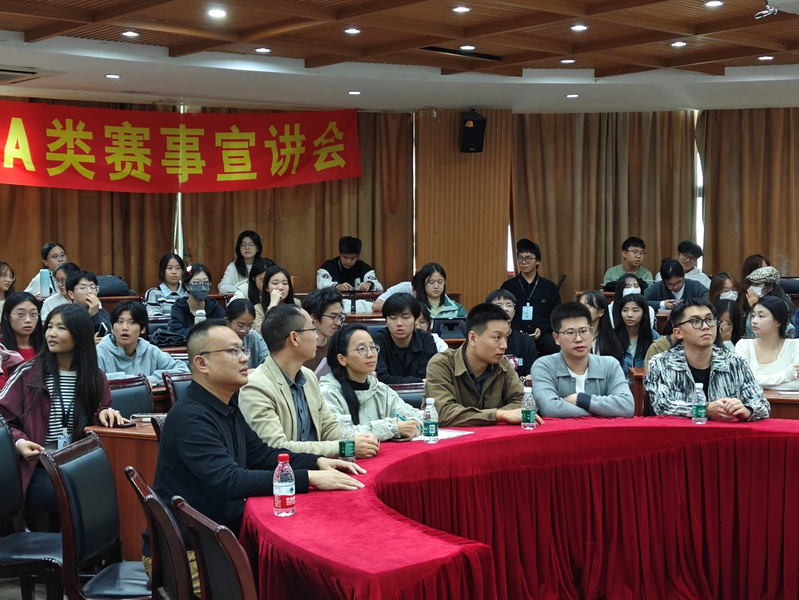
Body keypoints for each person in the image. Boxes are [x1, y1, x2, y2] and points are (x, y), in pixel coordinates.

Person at [147, 318, 365, 592]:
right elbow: (230, 481)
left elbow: (262, 454)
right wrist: (308, 478)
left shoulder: (226, 404)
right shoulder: (191, 418)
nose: (244, 358)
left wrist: (316, 461)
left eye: (243, 350)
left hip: (221, 537)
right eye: (233, 351)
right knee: (296, 580)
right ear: (202, 364)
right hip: (191, 553)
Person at [0, 304, 126, 516]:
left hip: (78, 463)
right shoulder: (28, 373)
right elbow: (2, 420)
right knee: (66, 496)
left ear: (79, 334)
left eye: (61, 328)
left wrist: (104, 412)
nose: (51, 333)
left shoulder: (95, 377)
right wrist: (19, 442)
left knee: (115, 491)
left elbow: (98, 413)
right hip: (37, 465)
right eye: (49, 326)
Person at [239, 304, 381, 459]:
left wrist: (358, 439)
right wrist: (343, 447)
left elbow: (328, 427)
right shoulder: (256, 386)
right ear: (294, 338)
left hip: (319, 466)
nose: (316, 336)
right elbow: (276, 447)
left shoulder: (309, 377)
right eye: (313, 330)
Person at [645, 299, 770, 421]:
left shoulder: (736, 363)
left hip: (725, 433)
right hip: (680, 433)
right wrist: (704, 410)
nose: (705, 326)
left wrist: (747, 410)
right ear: (678, 332)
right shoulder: (660, 364)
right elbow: (661, 406)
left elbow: (762, 404)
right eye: (696, 321)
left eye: (710, 320)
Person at [425, 302, 544, 427]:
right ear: (473, 338)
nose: (504, 345)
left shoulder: (502, 363)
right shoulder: (441, 364)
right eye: (497, 337)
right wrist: (498, 415)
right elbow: (443, 413)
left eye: (506, 337)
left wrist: (492, 416)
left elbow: (523, 402)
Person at [319, 324, 423, 441]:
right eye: (362, 349)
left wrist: (413, 423)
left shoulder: (379, 389)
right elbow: (337, 433)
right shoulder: (328, 393)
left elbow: (420, 416)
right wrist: (392, 428)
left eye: (373, 347)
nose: (371, 354)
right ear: (342, 359)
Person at [532, 302, 634, 418]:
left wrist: (581, 399)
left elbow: (626, 406)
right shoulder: (544, 366)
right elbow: (550, 409)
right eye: (570, 333)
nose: (579, 339)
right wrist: (602, 413)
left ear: (591, 332)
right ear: (556, 338)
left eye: (584, 331)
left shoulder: (610, 365)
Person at [96, 300, 190, 386]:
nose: (124, 328)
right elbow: (94, 379)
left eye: (132, 322)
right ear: (112, 328)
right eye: (120, 322)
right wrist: (138, 381)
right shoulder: (100, 352)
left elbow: (183, 370)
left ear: (143, 329)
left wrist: (152, 379)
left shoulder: (150, 351)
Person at [500, 238, 561, 356]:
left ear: (537, 261)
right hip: (514, 333)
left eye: (528, 258)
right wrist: (515, 330)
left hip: (543, 335)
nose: (523, 262)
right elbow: (501, 313)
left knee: (554, 344)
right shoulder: (508, 286)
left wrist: (541, 329)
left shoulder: (549, 287)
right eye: (520, 258)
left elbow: (556, 316)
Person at [735, 296, 799, 390]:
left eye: (761, 316)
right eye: (753, 315)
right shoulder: (743, 345)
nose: (754, 321)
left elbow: (796, 385)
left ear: (778, 321)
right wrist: (786, 375)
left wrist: (756, 382)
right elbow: (740, 380)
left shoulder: (795, 346)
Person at [372, 293, 438, 384]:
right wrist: (419, 381)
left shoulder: (426, 339)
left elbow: (430, 375)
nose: (399, 323)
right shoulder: (377, 341)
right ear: (386, 321)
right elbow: (381, 378)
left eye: (405, 317)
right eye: (393, 317)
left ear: (415, 319)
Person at [372, 262, 466, 318]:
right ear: (423, 284)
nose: (436, 286)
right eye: (431, 282)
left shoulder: (457, 309)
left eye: (440, 282)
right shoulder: (413, 308)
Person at [485, 289, 538, 378]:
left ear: (514, 311)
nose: (505, 309)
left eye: (509, 305)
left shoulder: (526, 341)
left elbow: (531, 375)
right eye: (499, 305)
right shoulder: (483, 340)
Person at [168, 263, 224, 338]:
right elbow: (175, 332)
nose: (202, 287)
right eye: (197, 283)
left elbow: (226, 328)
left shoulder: (214, 306)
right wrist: (202, 332)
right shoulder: (179, 307)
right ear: (187, 286)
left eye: (206, 283)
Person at [0, 292, 44, 388]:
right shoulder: (2, 350)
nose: (28, 320)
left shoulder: (45, 347)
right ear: (6, 316)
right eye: (21, 314)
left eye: (33, 314)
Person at [301, 287, 345, 377]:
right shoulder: (298, 349)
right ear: (314, 318)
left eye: (340, 317)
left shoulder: (338, 346)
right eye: (333, 317)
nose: (338, 323)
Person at [741, 266, 795, 338]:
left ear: (770, 287)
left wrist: (755, 306)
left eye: (757, 284)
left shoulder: (781, 305)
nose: (752, 287)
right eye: (752, 284)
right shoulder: (753, 300)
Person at [317, 236, 383, 292]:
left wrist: (369, 284)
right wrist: (336, 286)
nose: (348, 261)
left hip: (359, 302)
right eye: (345, 257)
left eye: (353, 258)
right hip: (334, 302)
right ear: (340, 254)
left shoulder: (364, 267)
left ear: (357, 257)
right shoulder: (328, 266)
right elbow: (321, 285)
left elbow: (380, 287)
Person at [613, 293, 659, 372]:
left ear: (644, 313)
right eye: (625, 310)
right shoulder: (612, 336)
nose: (629, 315)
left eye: (635, 310)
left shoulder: (653, 336)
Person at [644, 259, 708, 311]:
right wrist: (662, 304)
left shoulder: (694, 286)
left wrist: (688, 304)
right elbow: (642, 302)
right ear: (664, 281)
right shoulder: (658, 287)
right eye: (670, 285)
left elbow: (708, 298)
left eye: (679, 282)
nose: (676, 287)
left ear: (683, 276)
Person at [578, 291, 623, 363]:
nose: (581, 310)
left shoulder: (610, 340)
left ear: (601, 312)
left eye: (587, 307)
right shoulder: (574, 336)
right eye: (579, 306)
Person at [65, 270, 112, 339]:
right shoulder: (65, 315)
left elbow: (109, 335)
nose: (89, 292)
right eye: (83, 288)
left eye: (92, 287)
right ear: (71, 294)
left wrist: (95, 315)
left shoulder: (102, 313)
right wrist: (90, 343)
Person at [253, 265, 300, 333]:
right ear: (266, 287)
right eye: (275, 283)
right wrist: (272, 305)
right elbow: (261, 333)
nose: (281, 287)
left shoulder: (296, 303)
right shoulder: (258, 309)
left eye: (285, 283)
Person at [224, 299, 268, 370]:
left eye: (249, 326)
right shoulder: (218, 339)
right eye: (240, 326)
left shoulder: (253, 337)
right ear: (227, 321)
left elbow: (268, 362)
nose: (245, 331)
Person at [144, 253, 187, 318]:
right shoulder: (153, 293)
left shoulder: (187, 293)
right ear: (162, 272)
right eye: (169, 268)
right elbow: (156, 319)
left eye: (178, 268)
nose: (174, 272)